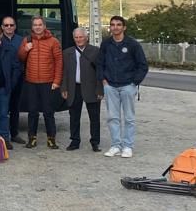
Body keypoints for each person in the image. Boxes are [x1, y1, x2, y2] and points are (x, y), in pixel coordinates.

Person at [98, 16, 148, 159]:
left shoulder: (133, 44)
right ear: (110, 27)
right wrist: (103, 80)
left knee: (129, 118)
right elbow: (99, 63)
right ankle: (115, 145)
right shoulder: (106, 44)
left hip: (127, 86)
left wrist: (134, 83)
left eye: (118, 25)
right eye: (112, 25)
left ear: (124, 27)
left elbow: (143, 65)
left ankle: (127, 146)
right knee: (112, 117)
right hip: (110, 86)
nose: (115, 27)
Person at [17, 16, 63, 149]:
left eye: (40, 24)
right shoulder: (27, 40)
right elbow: (20, 58)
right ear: (32, 27)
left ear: (44, 26)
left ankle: (51, 139)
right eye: (35, 25)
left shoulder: (53, 41)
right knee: (32, 112)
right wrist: (25, 50)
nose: (37, 27)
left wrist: (57, 80)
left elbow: (59, 62)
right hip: (31, 82)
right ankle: (32, 138)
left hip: (48, 82)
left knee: (48, 112)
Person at [61, 28, 102, 152]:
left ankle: (95, 142)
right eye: (76, 37)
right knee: (74, 116)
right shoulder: (67, 52)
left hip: (91, 88)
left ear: (86, 37)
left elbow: (100, 72)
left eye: (81, 37)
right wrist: (64, 88)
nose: (79, 39)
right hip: (74, 88)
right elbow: (64, 72)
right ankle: (74, 141)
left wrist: (100, 89)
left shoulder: (96, 51)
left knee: (94, 117)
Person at [1, 16, 25, 144]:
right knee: (3, 108)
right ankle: (4, 136)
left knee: (15, 107)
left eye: (11, 25)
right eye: (6, 25)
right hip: (2, 78)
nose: (9, 27)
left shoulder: (22, 40)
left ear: (15, 26)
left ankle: (14, 133)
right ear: (2, 27)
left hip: (18, 78)